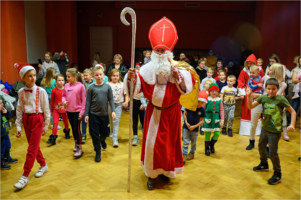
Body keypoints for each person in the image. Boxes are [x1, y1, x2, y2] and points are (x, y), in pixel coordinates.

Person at [126, 17, 195, 190]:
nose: (160, 53)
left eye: (163, 51)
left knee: (168, 146)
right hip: (154, 112)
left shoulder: (178, 68)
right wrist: (131, 78)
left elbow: (187, 88)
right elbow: (134, 90)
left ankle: (165, 172)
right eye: (157, 51)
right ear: (153, 52)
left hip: (171, 113)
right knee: (152, 145)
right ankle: (151, 174)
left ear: (169, 52)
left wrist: (177, 75)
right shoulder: (146, 70)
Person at [246, 78, 296, 185]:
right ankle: (264, 164)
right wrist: (248, 96)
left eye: (274, 89)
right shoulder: (263, 97)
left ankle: (278, 174)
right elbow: (250, 106)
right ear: (265, 88)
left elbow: (293, 111)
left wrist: (291, 124)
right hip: (265, 128)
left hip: (275, 131)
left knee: (273, 153)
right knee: (261, 147)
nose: (271, 91)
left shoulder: (281, 99)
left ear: (278, 89)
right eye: (268, 89)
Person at [13, 63, 50, 189]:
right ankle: (43, 165)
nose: (33, 78)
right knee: (33, 146)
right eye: (29, 76)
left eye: (34, 75)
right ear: (23, 78)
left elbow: (46, 109)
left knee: (31, 149)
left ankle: (25, 175)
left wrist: (46, 125)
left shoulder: (41, 91)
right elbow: (18, 110)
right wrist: (18, 127)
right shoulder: (20, 92)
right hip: (26, 119)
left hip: (37, 119)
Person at [85, 66, 116, 162]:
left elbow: (111, 99)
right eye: (97, 75)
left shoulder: (107, 87)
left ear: (104, 75)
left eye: (100, 74)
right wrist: (86, 114)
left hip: (104, 115)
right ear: (93, 76)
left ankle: (102, 140)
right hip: (93, 115)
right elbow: (88, 102)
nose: (99, 76)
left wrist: (113, 111)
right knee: (94, 134)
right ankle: (97, 151)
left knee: (105, 133)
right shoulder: (91, 88)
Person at [237, 54, 264, 147]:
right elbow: (240, 82)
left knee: (256, 113)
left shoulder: (260, 71)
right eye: (247, 63)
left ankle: (256, 132)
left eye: (251, 63)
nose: (249, 65)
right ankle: (245, 131)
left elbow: (263, 82)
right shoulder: (243, 71)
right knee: (247, 111)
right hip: (247, 93)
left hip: (258, 95)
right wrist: (242, 92)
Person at [62, 68, 86, 158]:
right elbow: (63, 96)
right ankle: (76, 143)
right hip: (69, 110)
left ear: (75, 77)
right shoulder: (66, 85)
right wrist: (63, 101)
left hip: (77, 111)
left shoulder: (80, 86)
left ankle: (80, 148)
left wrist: (82, 112)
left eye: (69, 76)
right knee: (73, 128)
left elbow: (84, 100)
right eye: (66, 76)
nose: (67, 78)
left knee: (76, 128)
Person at [182, 90, 207, 164]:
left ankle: (192, 153)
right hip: (186, 127)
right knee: (185, 141)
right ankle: (184, 154)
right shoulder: (190, 106)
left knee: (193, 142)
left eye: (202, 102)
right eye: (198, 101)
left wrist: (194, 126)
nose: (199, 104)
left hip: (195, 129)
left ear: (204, 103)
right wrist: (186, 122)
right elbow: (185, 114)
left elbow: (202, 121)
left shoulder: (202, 110)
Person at [47, 74, 70, 145]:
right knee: (55, 123)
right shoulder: (54, 90)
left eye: (62, 80)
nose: (61, 82)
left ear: (64, 81)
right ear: (56, 82)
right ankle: (53, 137)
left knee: (66, 123)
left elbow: (68, 99)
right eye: (59, 80)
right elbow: (52, 101)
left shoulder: (66, 89)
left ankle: (67, 132)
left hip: (64, 109)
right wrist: (51, 111)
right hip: (56, 109)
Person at [202, 83, 224, 156]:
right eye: (212, 91)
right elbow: (202, 109)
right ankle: (207, 148)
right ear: (209, 91)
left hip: (216, 119)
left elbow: (221, 110)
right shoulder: (206, 99)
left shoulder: (219, 100)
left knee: (217, 134)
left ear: (218, 92)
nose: (214, 92)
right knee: (207, 134)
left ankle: (212, 144)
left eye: (215, 91)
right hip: (208, 118)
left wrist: (222, 120)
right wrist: (201, 119)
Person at [107, 69, 128, 147]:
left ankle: (115, 139)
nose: (115, 77)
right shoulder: (107, 84)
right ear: (110, 76)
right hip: (109, 105)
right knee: (111, 119)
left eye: (117, 76)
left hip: (119, 104)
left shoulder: (122, 84)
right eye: (114, 76)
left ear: (119, 76)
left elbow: (126, 94)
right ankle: (112, 131)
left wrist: (126, 102)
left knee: (116, 120)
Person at [1, 98, 18, 170]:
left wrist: (7, 112)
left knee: (8, 145)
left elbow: (9, 117)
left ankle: (7, 157)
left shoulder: (2, 111)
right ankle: (1, 162)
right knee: (1, 149)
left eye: (2, 103)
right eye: (0, 104)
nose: (2, 105)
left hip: (5, 133)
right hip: (0, 136)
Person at [288, 56, 301, 125]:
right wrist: (299, 80)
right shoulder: (296, 70)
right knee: (294, 107)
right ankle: (291, 122)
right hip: (297, 91)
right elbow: (293, 80)